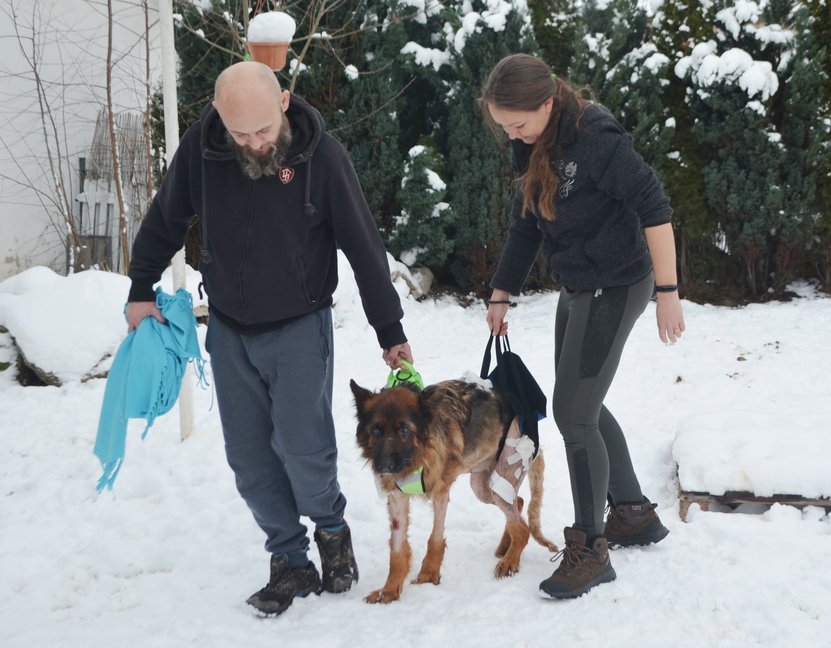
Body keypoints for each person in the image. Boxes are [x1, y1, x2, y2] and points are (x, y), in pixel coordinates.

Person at [125, 61, 413, 615]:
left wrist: (390, 329)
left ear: (283, 103)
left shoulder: (323, 158)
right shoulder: (203, 150)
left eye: (261, 130)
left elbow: (362, 244)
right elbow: (166, 217)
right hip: (230, 329)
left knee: (304, 449)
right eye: (241, 133)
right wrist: (141, 286)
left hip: (299, 325)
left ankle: (331, 530)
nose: (254, 144)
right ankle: (289, 558)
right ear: (219, 118)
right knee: (250, 458)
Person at [480, 53, 685, 600]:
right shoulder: (529, 143)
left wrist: (668, 292)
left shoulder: (597, 140)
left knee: (574, 412)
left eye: (518, 123)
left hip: (617, 285)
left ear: (547, 103)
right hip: (577, 285)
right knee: (581, 403)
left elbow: (655, 207)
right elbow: (528, 221)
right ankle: (633, 513)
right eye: (504, 126)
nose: (512, 134)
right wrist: (503, 290)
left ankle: (591, 547)